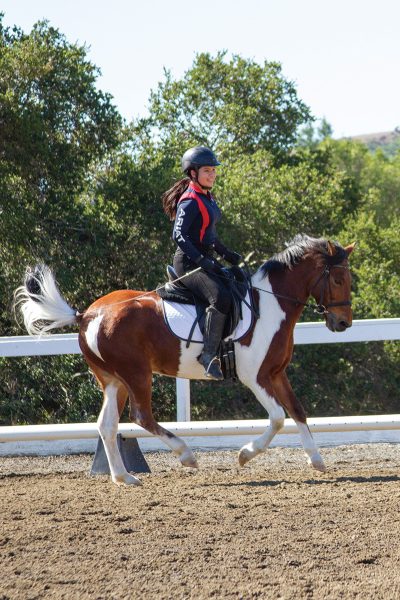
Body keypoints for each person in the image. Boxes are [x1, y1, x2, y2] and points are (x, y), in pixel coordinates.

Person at [162, 146, 242, 380]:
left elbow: (210, 236)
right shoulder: (189, 201)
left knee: (235, 285)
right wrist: (202, 261)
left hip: (203, 260)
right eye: (207, 171)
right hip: (187, 264)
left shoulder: (208, 198)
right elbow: (179, 236)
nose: (212, 175)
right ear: (193, 174)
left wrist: (228, 255)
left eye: (214, 171)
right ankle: (207, 355)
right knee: (220, 297)